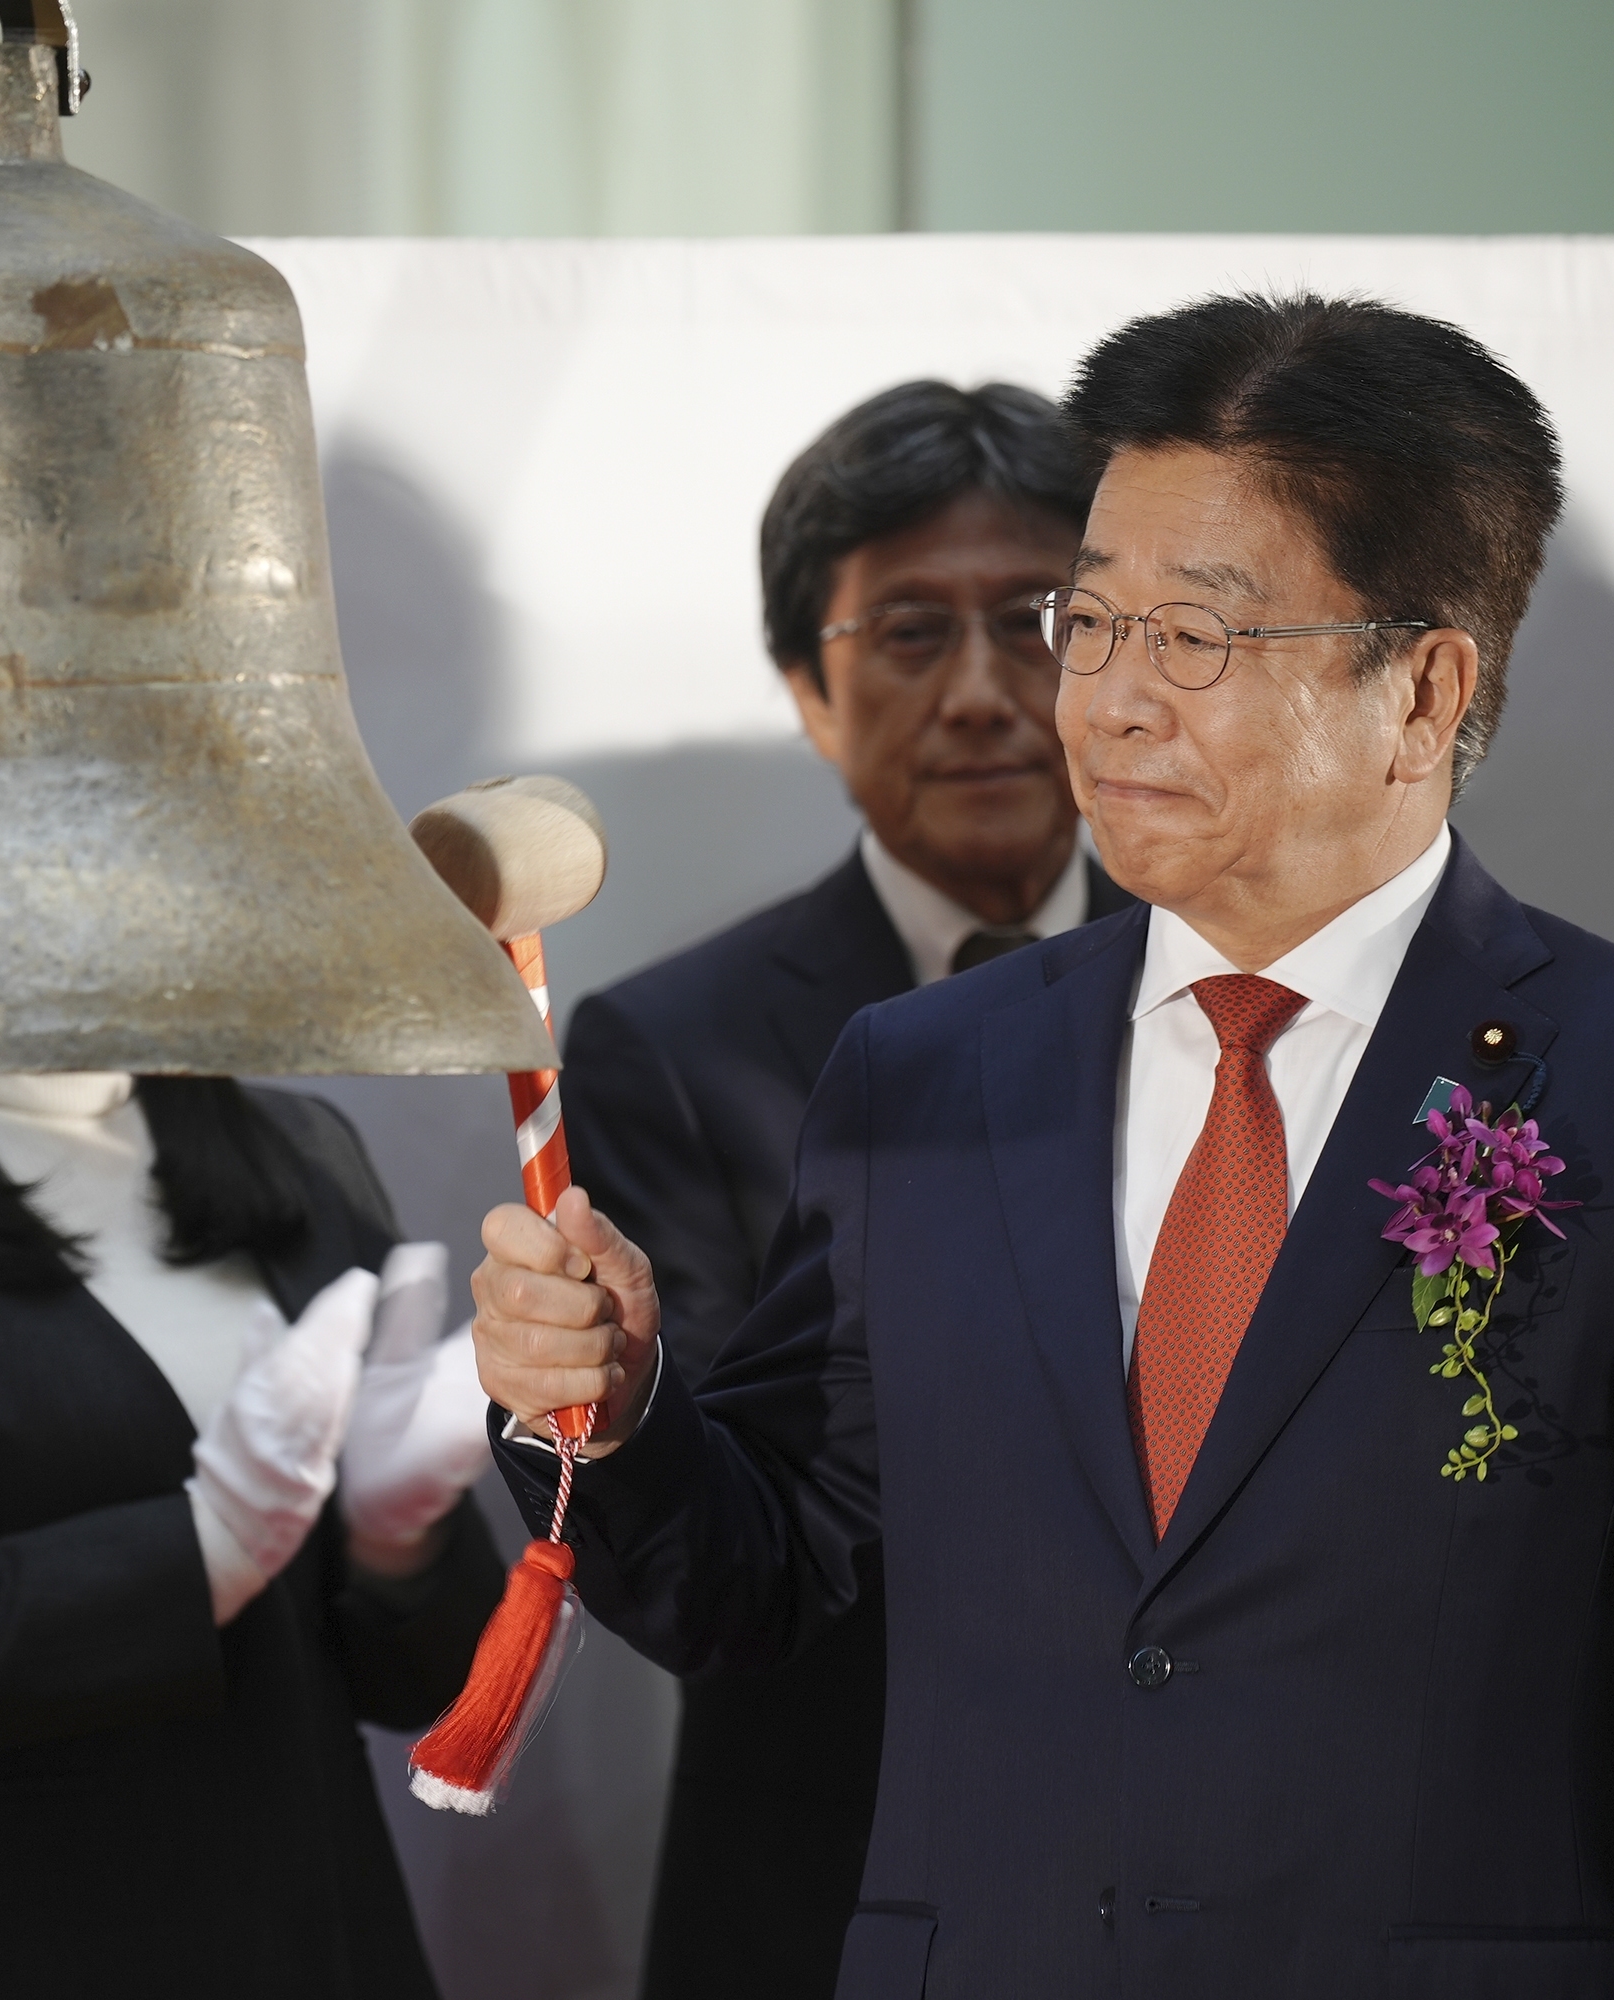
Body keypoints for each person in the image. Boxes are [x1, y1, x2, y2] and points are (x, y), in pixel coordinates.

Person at [469, 293, 1614, 1995]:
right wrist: (616, 1414)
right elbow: (768, 1582)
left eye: (1197, 641)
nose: (1108, 705)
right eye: (1097, 621)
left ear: (1424, 689)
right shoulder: (922, 1072)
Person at [556, 378, 1127, 1999]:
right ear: (811, 690)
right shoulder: (674, 1047)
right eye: (906, 634)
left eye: (1039, 621)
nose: (979, 695)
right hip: (831, 1897)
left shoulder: (1246, 999)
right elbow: (729, 1533)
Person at [0, 1071, 503, 1996]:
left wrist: (397, 1540)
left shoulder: (296, 1141)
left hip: (312, 1926)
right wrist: (207, 1545)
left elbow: (419, 1688)